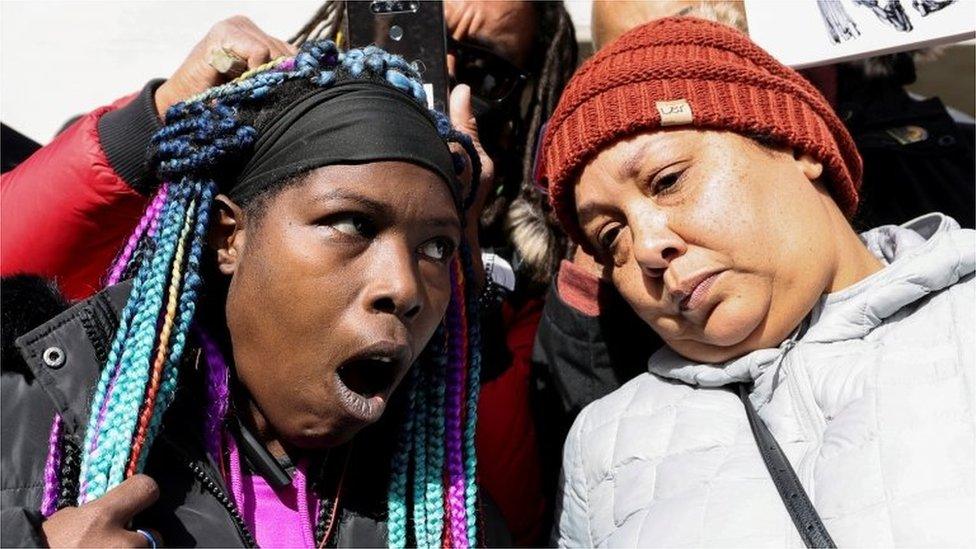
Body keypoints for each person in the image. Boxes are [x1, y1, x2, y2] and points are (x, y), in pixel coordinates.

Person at [1, 40, 512, 547]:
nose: (404, 288)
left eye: (437, 246)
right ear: (230, 236)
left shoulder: (454, 520)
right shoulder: (30, 420)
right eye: (353, 223)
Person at [538, 17, 975, 546]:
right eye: (612, 236)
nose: (648, 247)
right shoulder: (600, 450)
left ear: (797, 148)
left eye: (670, 180)